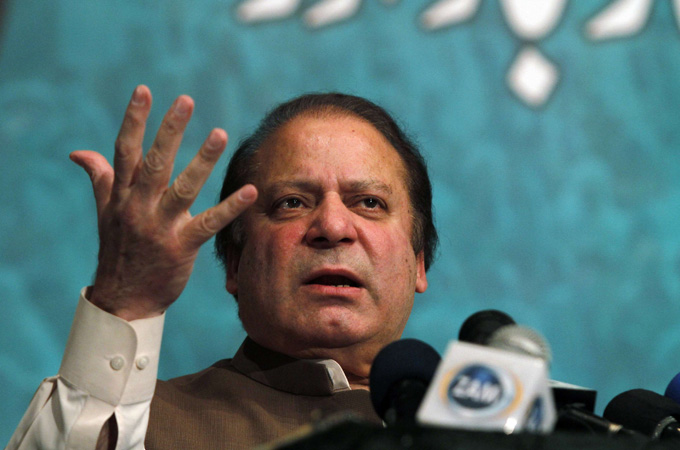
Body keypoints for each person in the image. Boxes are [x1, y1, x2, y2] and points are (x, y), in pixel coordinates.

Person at [7, 85, 437, 449]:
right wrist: (124, 303)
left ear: (418, 262)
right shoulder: (141, 423)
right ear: (234, 263)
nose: (333, 227)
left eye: (369, 203)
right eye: (291, 202)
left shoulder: (468, 425)